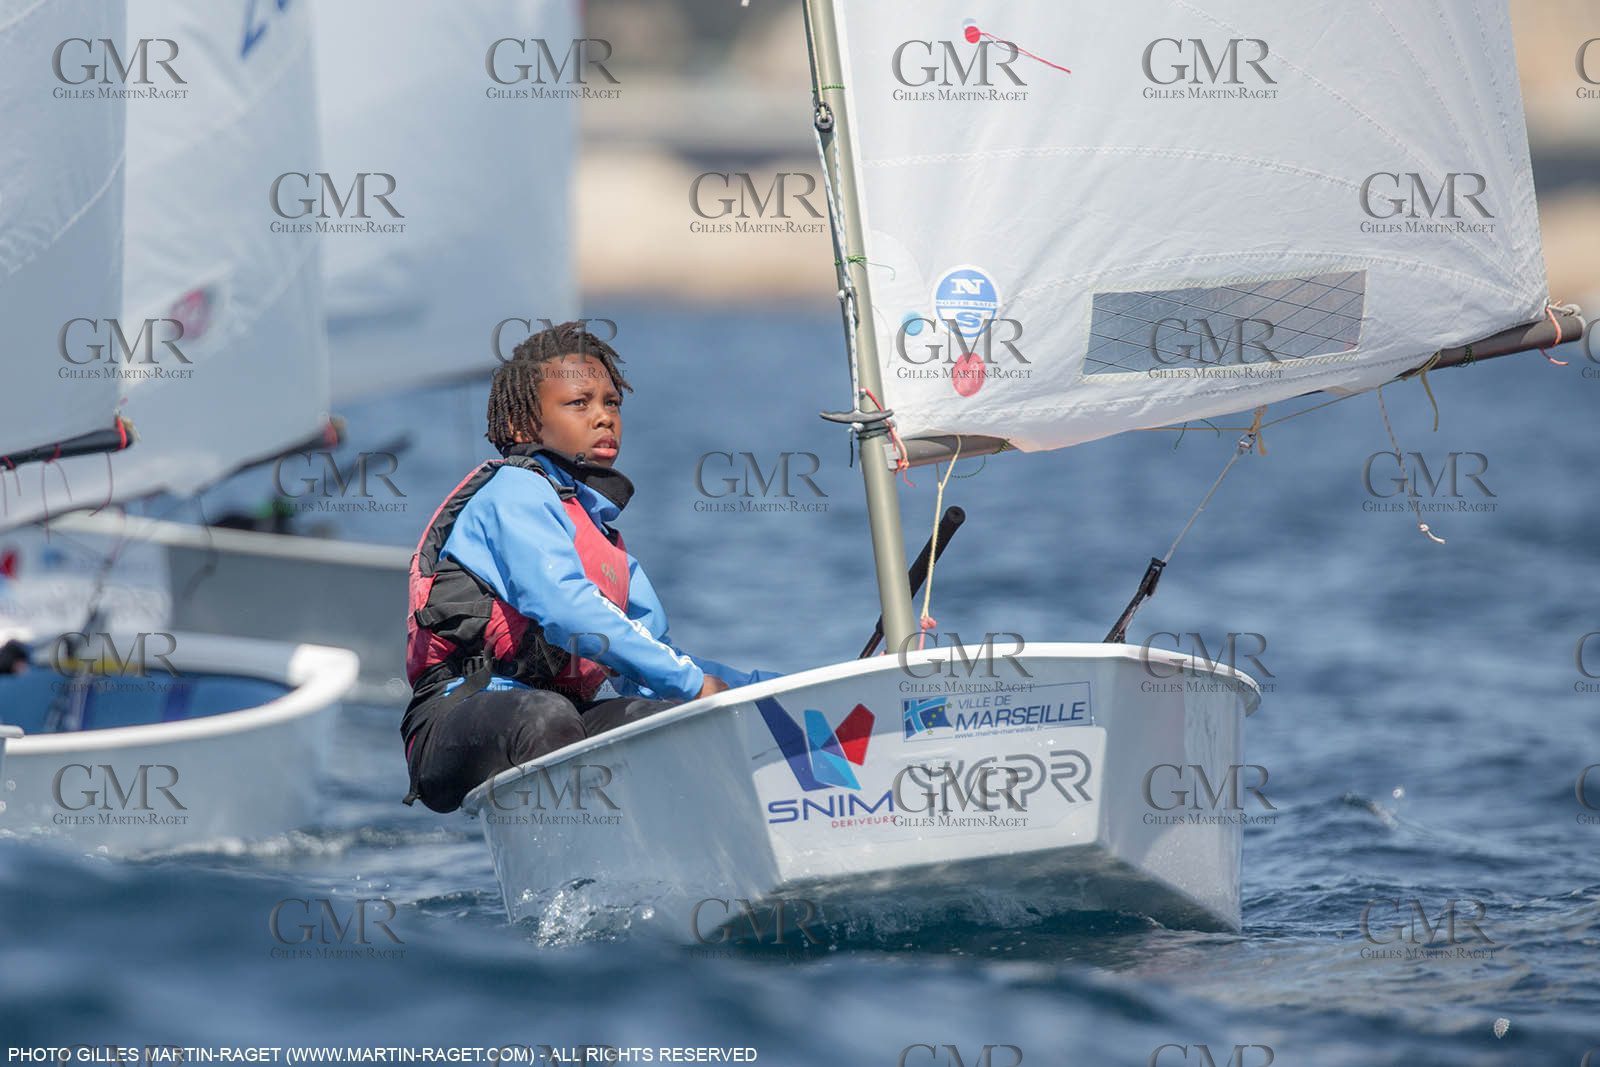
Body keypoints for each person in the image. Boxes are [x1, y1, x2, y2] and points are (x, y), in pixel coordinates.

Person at [401, 321, 771, 812]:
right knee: (547, 716)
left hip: (563, 718)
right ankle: (569, 853)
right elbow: (566, 609)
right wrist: (690, 683)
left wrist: (765, 692)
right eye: (579, 403)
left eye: (611, 403)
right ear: (521, 426)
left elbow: (657, 658)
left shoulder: (605, 543)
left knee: (661, 721)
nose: (603, 417)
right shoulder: (511, 494)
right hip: (456, 716)